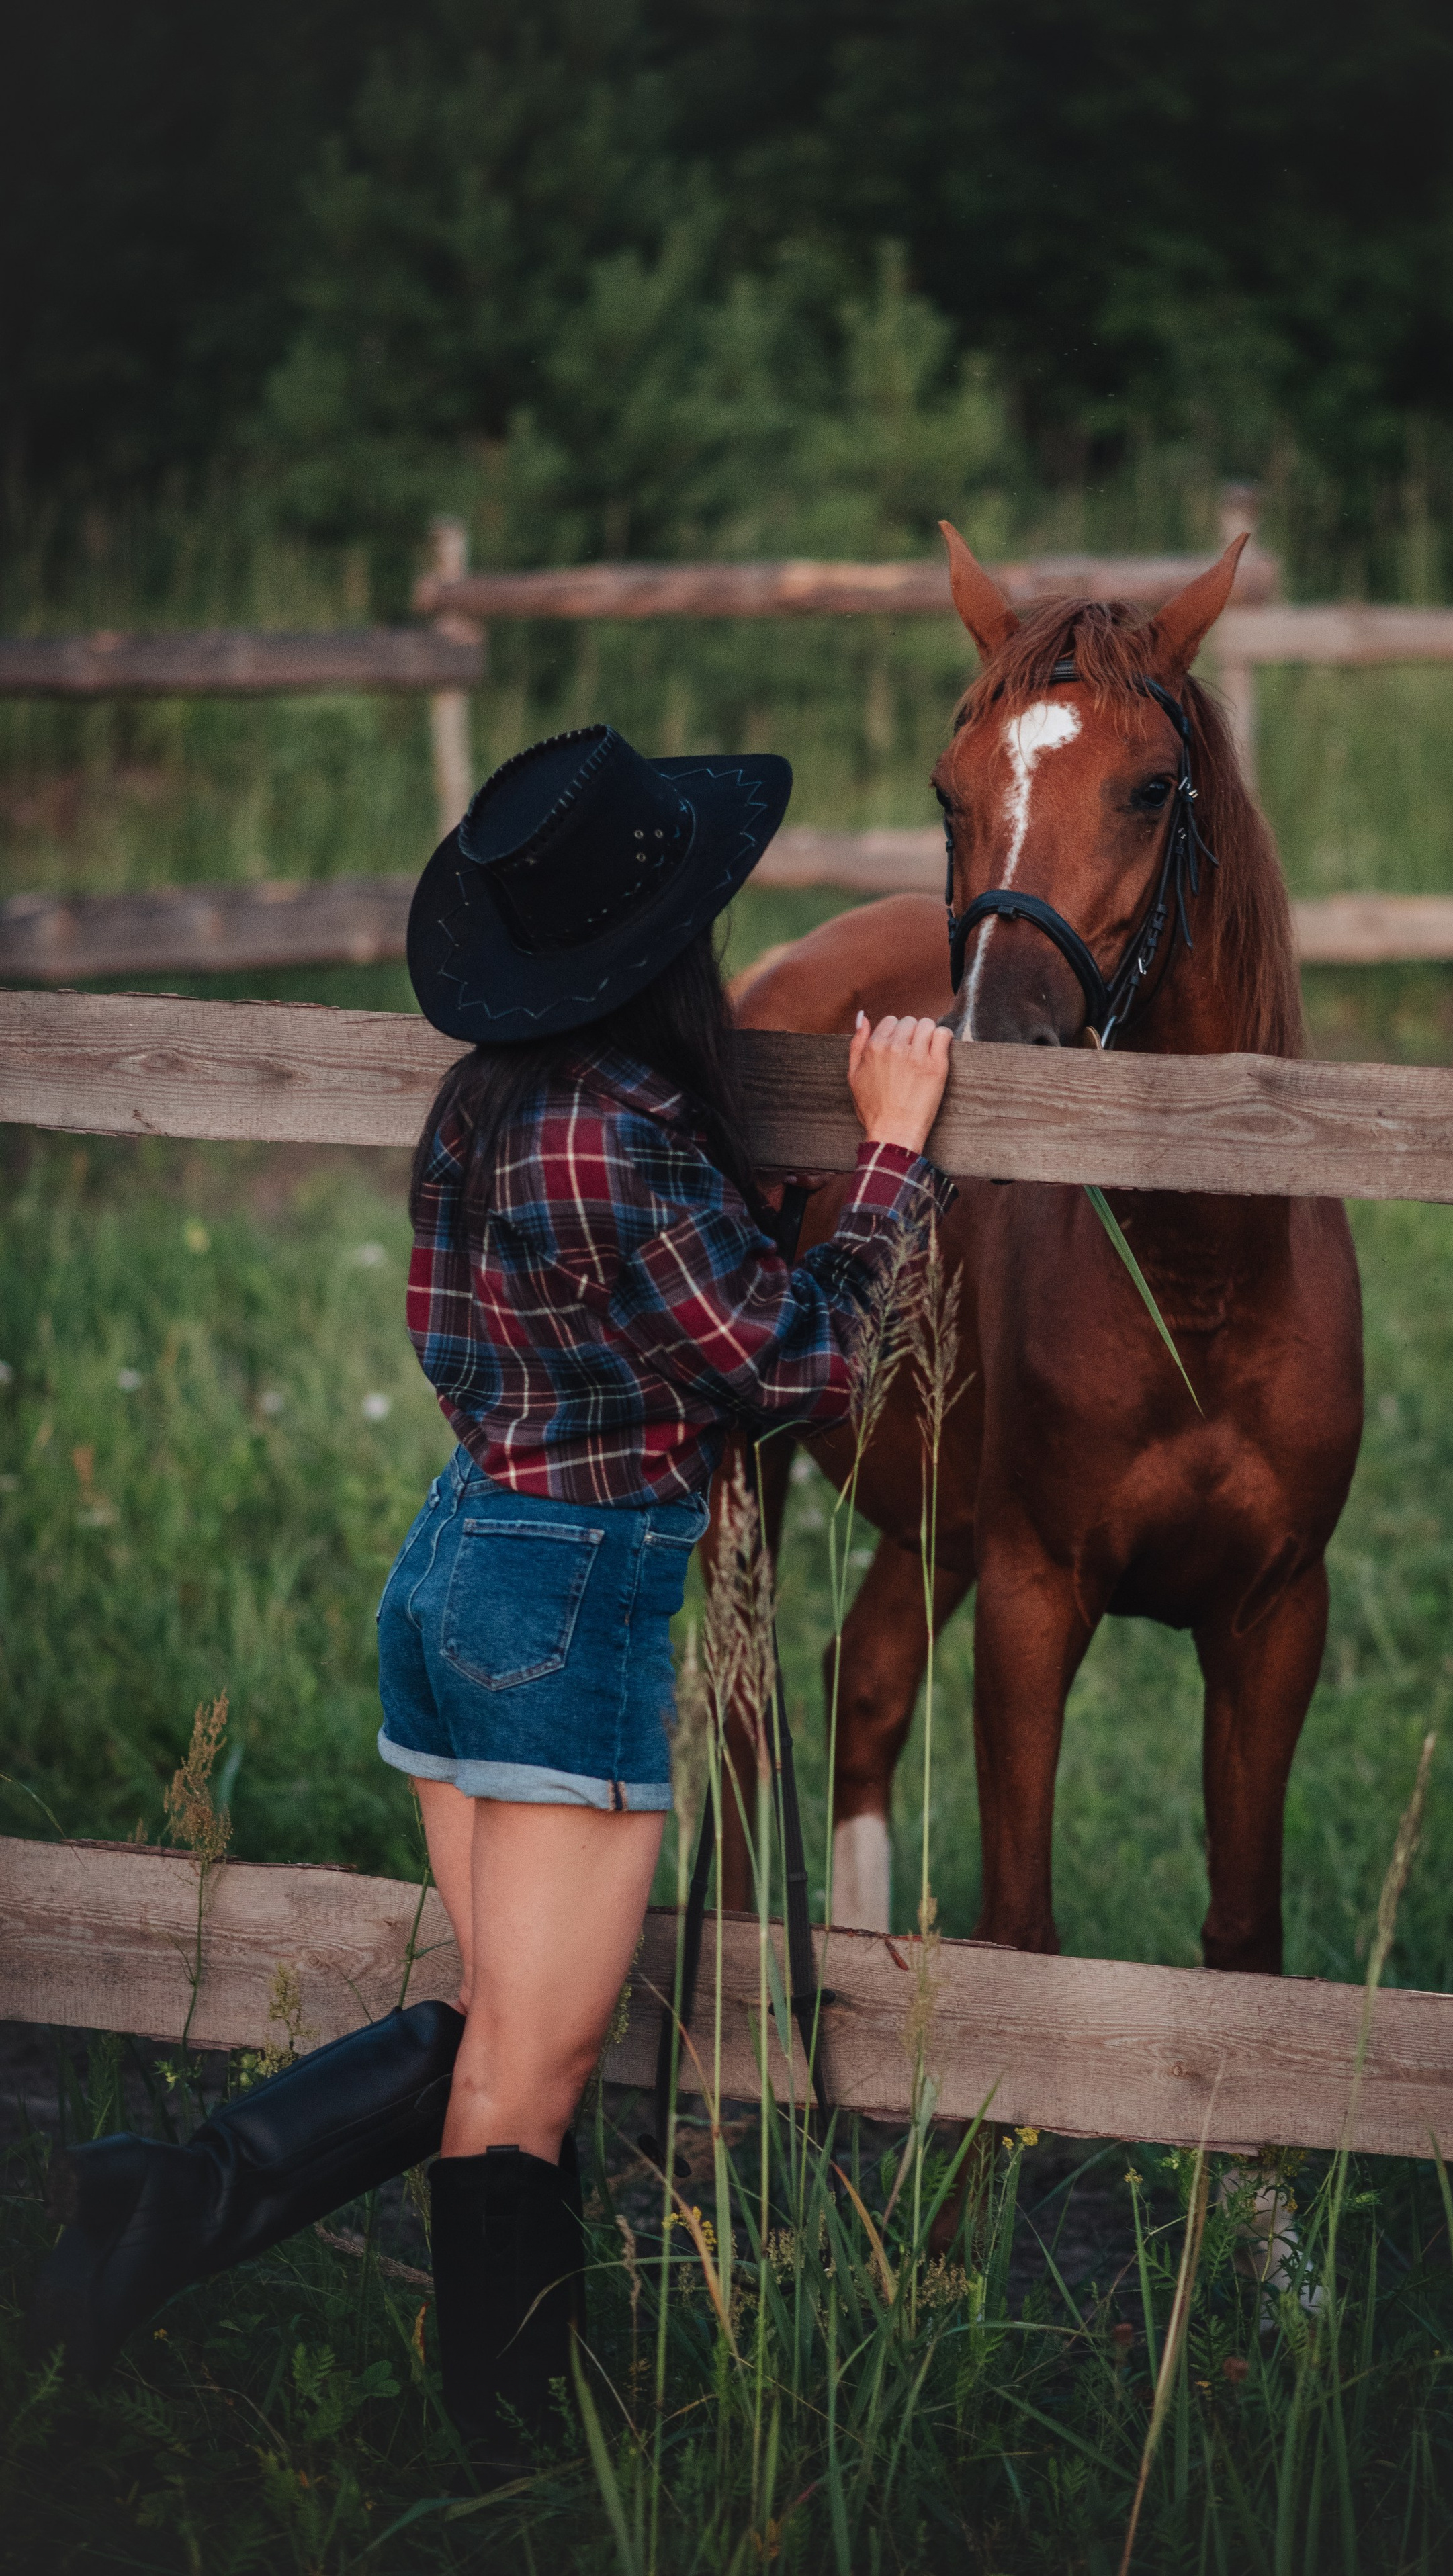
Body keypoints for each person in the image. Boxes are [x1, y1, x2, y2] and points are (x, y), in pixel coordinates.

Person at [30, 723, 953, 2454]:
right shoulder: (623, 1138)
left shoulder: (493, 1105)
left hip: (453, 1563)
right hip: (570, 1606)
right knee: (528, 2075)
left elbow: (538, 1326)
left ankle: (448, 2398)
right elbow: (806, 1361)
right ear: (663, 947)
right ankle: (373, 2349)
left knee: (500, 2036)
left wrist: (744, 1223)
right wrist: (895, 1148)